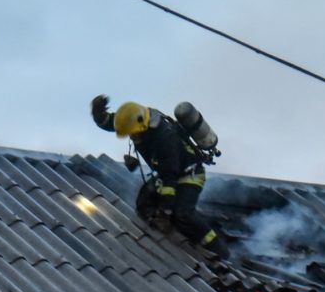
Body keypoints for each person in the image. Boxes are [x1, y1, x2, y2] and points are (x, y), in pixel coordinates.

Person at [91, 94, 229, 258]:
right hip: (166, 172)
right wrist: (99, 116)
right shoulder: (135, 119)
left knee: (183, 214)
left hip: (189, 175)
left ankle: (219, 249)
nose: (133, 137)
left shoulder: (165, 139)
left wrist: (165, 211)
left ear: (143, 127)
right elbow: (113, 123)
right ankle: (170, 232)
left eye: (134, 134)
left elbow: (169, 178)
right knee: (144, 203)